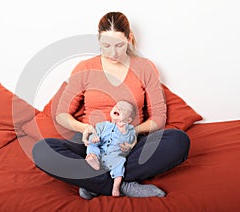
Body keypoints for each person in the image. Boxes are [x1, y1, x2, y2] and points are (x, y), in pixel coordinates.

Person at [32, 11, 190, 200]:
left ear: (129, 38)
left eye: (119, 45)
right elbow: (61, 114)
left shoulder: (144, 67)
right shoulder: (85, 68)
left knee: (179, 140)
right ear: (98, 40)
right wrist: (85, 128)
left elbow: (159, 117)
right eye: (106, 45)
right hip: (91, 144)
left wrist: (132, 133)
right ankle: (121, 184)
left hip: (129, 145)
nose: (112, 53)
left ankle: (94, 183)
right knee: (42, 150)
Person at [85, 100, 137, 197]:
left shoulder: (129, 130)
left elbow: (129, 141)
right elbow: (93, 135)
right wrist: (95, 138)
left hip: (113, 156)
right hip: (100, 152)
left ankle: (116, 186)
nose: (118, 108)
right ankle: (93, 159)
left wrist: (124, 131)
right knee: (91, 146)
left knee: (120, 162)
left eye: (123, 109)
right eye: (117, 106)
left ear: (128, 120)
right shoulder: (103, 125)